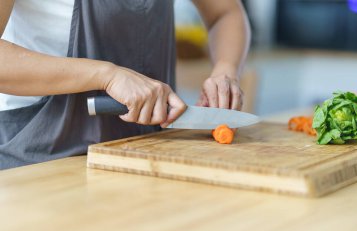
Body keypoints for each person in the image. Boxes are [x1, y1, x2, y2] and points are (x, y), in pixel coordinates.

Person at [0, 0, 251, 169]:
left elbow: (225, 13)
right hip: (40, 159)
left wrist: (226, 70)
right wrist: (107, 75)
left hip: (146, 158)